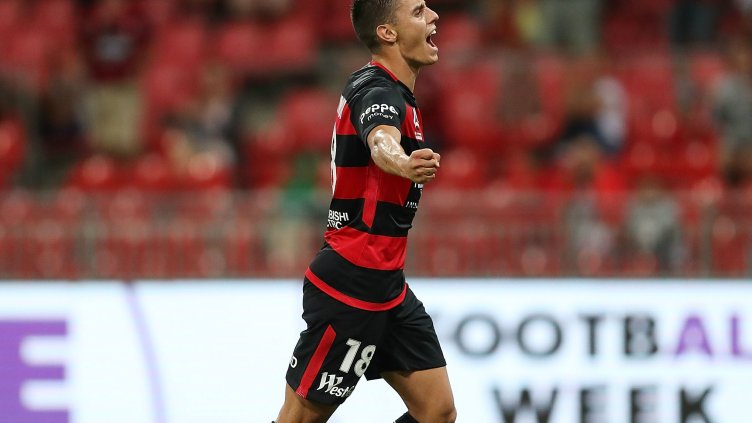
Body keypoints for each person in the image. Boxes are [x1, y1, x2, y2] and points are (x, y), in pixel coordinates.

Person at [273, 1, 456, 422]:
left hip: (387, 285)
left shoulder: (393, 91)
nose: (434, 16)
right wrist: (404, 162)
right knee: (300, 418)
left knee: (437, 412)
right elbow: (380, 140)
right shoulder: (378, 90)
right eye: (418, 11)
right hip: (351, 282)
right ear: (388, 33)